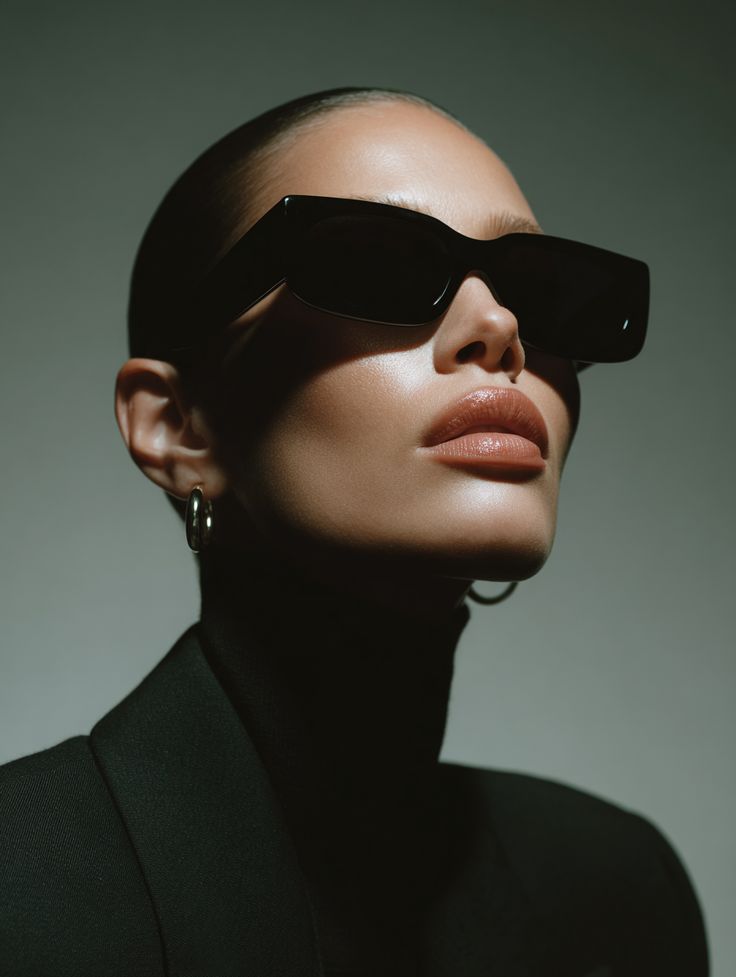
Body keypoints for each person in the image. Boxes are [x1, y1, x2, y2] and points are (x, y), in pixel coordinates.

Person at [0, 86, 708, 977]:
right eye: (378, 264)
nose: (499, 328)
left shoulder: (617, 895)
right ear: (177, 426)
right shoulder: (23, 889)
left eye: (541, 291)